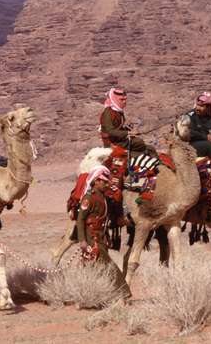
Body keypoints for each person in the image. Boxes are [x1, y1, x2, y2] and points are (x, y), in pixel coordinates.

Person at [76, 165, 132, 299]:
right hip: (92, 237)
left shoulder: (104, 197)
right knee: (109, 266)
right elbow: (80, 220)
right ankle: (123, 293)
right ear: (96, 181)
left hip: (101, 236)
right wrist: (82, 240)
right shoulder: (89, 198)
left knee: (92, 267)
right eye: (104, 181)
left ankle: (88, 295)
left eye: (107, 181)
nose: (106, 184)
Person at [99, 87, 156, 157]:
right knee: (139, 142)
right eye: (121, 100)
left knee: (149, 148)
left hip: (119, 140)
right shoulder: (108, 113)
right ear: (114, 100)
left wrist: (127, 128)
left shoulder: (118, 112)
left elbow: (117, 128)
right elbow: (110, 131)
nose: (124, 102)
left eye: (125, 100)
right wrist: (128, 133)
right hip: (113, 142)